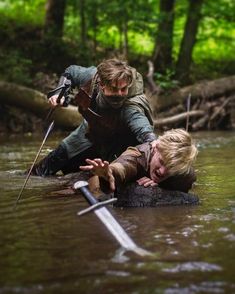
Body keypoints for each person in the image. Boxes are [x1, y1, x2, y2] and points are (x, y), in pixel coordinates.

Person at [31, 59, 157, 176]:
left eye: (123, 89)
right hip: (92, 132)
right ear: (101, 84)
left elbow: (143, 130)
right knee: (45, 167)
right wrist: (60, 93)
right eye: (114, 89)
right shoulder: (91, 77)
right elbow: (71, 72)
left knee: (110, 174)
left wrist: (152, 142)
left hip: (122, 141)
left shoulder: (131, 107)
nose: (119, 94)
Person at [80, 129, 198, 193]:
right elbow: (123, 167)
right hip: (88, 185)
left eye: (170, 168)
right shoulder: (137, 156)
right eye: (162, 162)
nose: (162, 171)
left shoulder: (183, 171)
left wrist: (159, 186)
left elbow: (188, 180)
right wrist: (108, 172)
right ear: (156, 146)